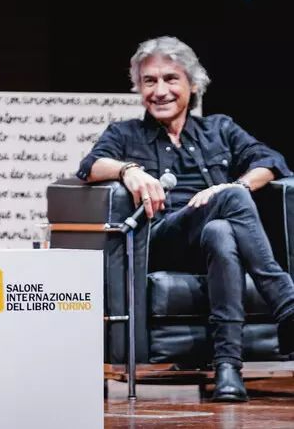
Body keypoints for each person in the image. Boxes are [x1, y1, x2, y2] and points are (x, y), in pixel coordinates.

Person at [77, 36, 294, 402]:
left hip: (212, 241)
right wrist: (128, 170)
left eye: (170, 79)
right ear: (139, 87)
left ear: (192, 85)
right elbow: (89, 166)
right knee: (230, 204)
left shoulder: (219, 129)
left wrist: (231, 188)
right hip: (162, 239)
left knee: (222, 231)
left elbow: (270, 161)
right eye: (150, 81)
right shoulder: (126, 134)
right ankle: (287, 303)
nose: (160, 90)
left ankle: (228, 368)